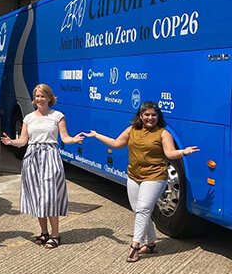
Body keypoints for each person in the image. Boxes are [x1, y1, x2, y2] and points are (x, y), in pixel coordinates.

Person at [84, 101, 199, 262]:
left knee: (144, 210)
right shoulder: (132, 130)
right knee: (138, 210)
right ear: (140, 116)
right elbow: (117, 143)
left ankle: (135, 246)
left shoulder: (163, 133)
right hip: (134, 176)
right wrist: (97, 135)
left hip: (155, 176)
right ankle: (151, 244)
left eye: (153, 115)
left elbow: (170, 153)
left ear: (158, 116)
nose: (150, 118)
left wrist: (183, 152)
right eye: (147, 115)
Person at [1, 83, 83, 249]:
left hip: (50, 156)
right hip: (32, 158)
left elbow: (64, 137)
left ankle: (55, 235)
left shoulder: (57, 116)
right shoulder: (28, 118)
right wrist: (11, 142)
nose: (39, 99)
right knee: (38, 197)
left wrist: (74, 140)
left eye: (42, 96)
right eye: (37, 96)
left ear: (49, 98)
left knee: (50, 196)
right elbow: (23, 140)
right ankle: (44, 232)